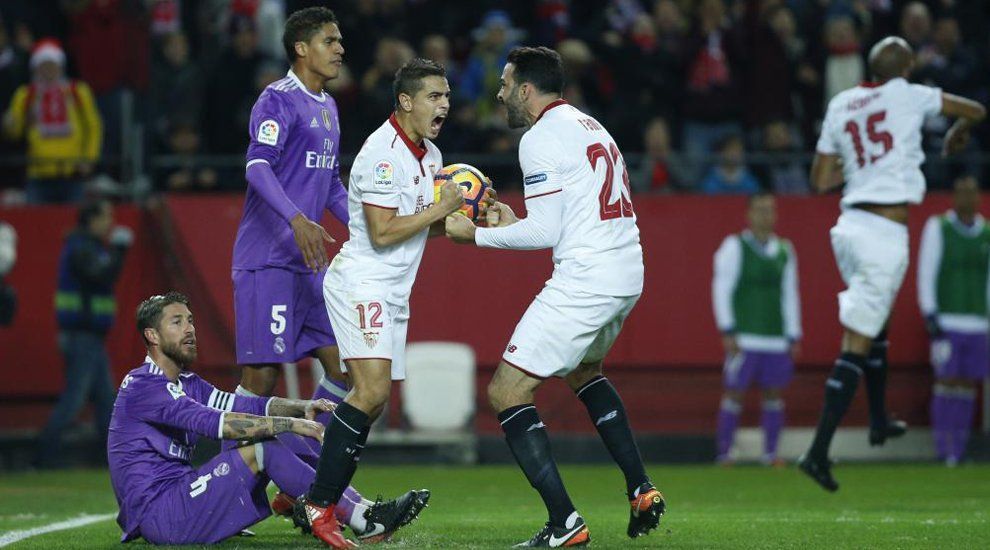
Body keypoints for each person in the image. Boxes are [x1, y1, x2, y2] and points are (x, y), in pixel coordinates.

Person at [444, 46, 665, 547]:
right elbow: (563, 221)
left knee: (506, 392)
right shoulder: (590, 126)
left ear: (525, 89)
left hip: (587, 279)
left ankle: (564, 523)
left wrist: (472, 235)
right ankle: (640, 488)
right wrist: (511, 223)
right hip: (627, 271)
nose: (499, 94)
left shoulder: (539, 137)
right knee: (586, 371)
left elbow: (546, 232)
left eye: (504, 85)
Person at [231, 8, 428, 538]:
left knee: (346, 371)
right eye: (329, 41)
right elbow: (257, 167)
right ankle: (235, 493)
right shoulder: (276, 99)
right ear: (301, 48)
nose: (340, 49)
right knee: (260, 377)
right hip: (268, 259)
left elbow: (333, 185)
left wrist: (364, 229)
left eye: (340, 41)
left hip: (312, 265)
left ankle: (300, 478)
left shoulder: (329, 108)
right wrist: (297, 218)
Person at [800, 36, 986, 492]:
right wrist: (959, 132)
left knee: (874, 321)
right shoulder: (909, 93)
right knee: (856, 343)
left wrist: (864, 165)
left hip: (848, 228)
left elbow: (820, 179)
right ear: (904, 68)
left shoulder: (843, 102)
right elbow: (975, 109)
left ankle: (880, 419)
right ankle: (818, 452)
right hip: (884, 233)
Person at [293, 57, 465, 548]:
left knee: (374, 398)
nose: (445, 105)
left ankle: (313, 490)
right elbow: (383, 231)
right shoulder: (382, 152)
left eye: (447, 96)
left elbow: (423, 225)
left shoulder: (430, 155)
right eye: (434, 96)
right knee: (368, 393)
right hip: (361, 282)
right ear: (406, 101)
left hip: (391, 291)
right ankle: (320, 505)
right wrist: (442, 208)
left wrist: (474, 221)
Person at [109, 292, 427, 544]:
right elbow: (217, 424)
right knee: (265, 448)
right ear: (151, 335)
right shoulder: (145, 386)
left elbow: (238, 405)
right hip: (162, 514)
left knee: (276, 436)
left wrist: (298, 407)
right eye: (176, 322)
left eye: (190, 321)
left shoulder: (186, 382)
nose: (190, 329)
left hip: (178, 499)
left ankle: (345, 505)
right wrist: (290, 423)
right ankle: (362, 519)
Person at [34, 198, 131, 467]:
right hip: (81, 335)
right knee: (75, 399)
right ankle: (43, 456)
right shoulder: (81, 248)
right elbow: (102, 275)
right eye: (106, 216)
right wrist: (120, 250)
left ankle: (110, 459)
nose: (110, 222)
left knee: (104, 399)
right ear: (92, 219)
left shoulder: (86, 247)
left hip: (89, 336)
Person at [712, 192, 801, 466]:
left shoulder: (785, 250)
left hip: (775, 336)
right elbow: (721, 288)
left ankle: (770, 454)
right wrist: (727, 329)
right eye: (760, 210)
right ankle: (725, 454)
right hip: (745, 335)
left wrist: (793, 333)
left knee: (774, 393)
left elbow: (790, 293)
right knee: (734, 392)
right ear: (748, 214)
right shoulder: (735, 246)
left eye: (770, 210)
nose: (766, 215)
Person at [918, 175, 989, 466]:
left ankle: (958, 449)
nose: (967, 199)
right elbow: (927, 269)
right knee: (946, 381)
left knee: (968, 385)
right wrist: (930, 312)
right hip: (947, 319)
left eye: (972, 193)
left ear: (979, 198)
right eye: (961, 192)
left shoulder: (987, 233)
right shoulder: (939, 227)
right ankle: (942, 446)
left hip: (978, 321)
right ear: (953, 197)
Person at [3, 38, 102, 204]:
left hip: (72, 172)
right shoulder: (26, 95)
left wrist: (89, 159)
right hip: (38, 173)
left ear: (60, 66)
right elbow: (13, 132)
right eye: (43, 66)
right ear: (35, 69)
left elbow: (93, 128)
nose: (48, 71)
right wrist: (20, 121)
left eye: (52, 66)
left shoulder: (77, 92)